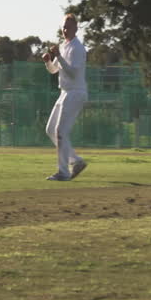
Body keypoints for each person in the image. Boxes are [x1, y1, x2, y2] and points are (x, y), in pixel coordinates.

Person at [42, 13, 88, 181]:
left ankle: (63, 172)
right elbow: (55, 70)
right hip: (65, 92)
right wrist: (48, 61)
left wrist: (59, 57)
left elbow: (74, 73)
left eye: (68, 26)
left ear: (76, 28)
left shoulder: (78, 48)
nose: (65, 29)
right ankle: (76, 162)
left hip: (76, 92)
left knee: (60, 131)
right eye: (63, 26)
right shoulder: (63, 46)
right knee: (50, 130)